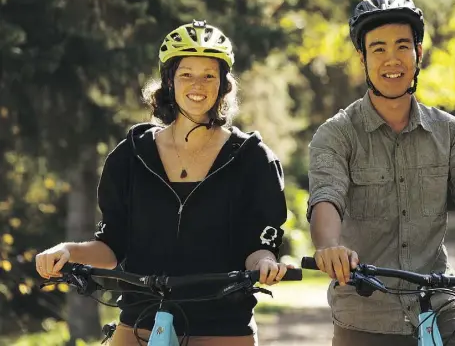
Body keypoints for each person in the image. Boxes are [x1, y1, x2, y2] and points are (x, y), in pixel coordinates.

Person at [306, 0, 455, 346]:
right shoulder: (336, 134)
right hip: (365, 315)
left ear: (418, 53)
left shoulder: (448, 131)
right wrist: (329, 247)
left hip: (440, 307)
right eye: (378, 49)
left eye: (402, 46)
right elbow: (326, 197)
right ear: (362, 58)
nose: (392, 59)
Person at [35, 20, 290, 346]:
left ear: (223, 85)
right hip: (139, 323)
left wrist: (266, 264)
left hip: (223, 326)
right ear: (169, 81)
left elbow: (261, 247)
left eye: (209, 75)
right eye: (186, 73)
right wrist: (67, 250)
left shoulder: (254, 159)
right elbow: (112, 247)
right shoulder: (131, 155)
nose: (197, 84)